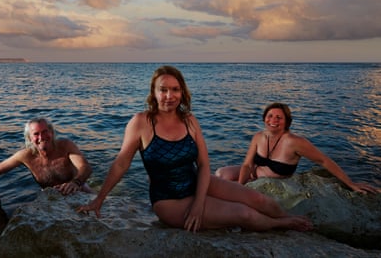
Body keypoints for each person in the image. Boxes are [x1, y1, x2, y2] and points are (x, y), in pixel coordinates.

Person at [76, 65, 313, 233]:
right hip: (169, 201)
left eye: (175, 89)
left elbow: (204, 164)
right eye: (163, 89)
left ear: (182, 92)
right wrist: (99, 199)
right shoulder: (141, 122)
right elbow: (121, 164)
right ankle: (282, 225)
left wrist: (199, 203)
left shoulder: (190, 120)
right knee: (244, 214)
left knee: (259, 200)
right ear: (153, 93)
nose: (170, 96)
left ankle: (286, 218)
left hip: (198, 184)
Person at [215, 102, 380, 194]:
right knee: (221, 173)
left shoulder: (295, 142)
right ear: (264, 118)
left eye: (279, 117)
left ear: (287, 121)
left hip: (274, 184)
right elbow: (247, 165)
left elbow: (323, 160)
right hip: (254, 175)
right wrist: (242, 186)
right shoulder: (258, 136)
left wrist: (350, 183)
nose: (273, 120)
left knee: (223, 187)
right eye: (270, 115)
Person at [0, 117, 93, 195]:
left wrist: (76, 183)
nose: (41, 137)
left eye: (45, 132)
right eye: (36, 134)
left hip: (78, 189)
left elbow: (85, 167)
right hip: (50, 196)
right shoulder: (26, 155)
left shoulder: (66, 146)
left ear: (52, 132)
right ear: (29, 138)